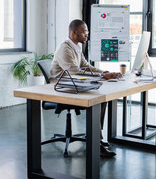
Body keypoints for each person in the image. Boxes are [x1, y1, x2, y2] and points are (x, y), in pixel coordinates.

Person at [50, 19, 121, 157]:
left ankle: (94, 138)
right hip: (61, 87)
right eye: (84, 32)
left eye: (87, 31)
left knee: (102, 98)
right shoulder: (65, 48)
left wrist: (103, 73)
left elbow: (86, 66)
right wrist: (101, 77)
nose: (87, 35)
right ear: (74, 32)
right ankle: (96, 143)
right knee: (97, 98)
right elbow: (74, 72)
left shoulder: (76, 47)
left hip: (73, 84)